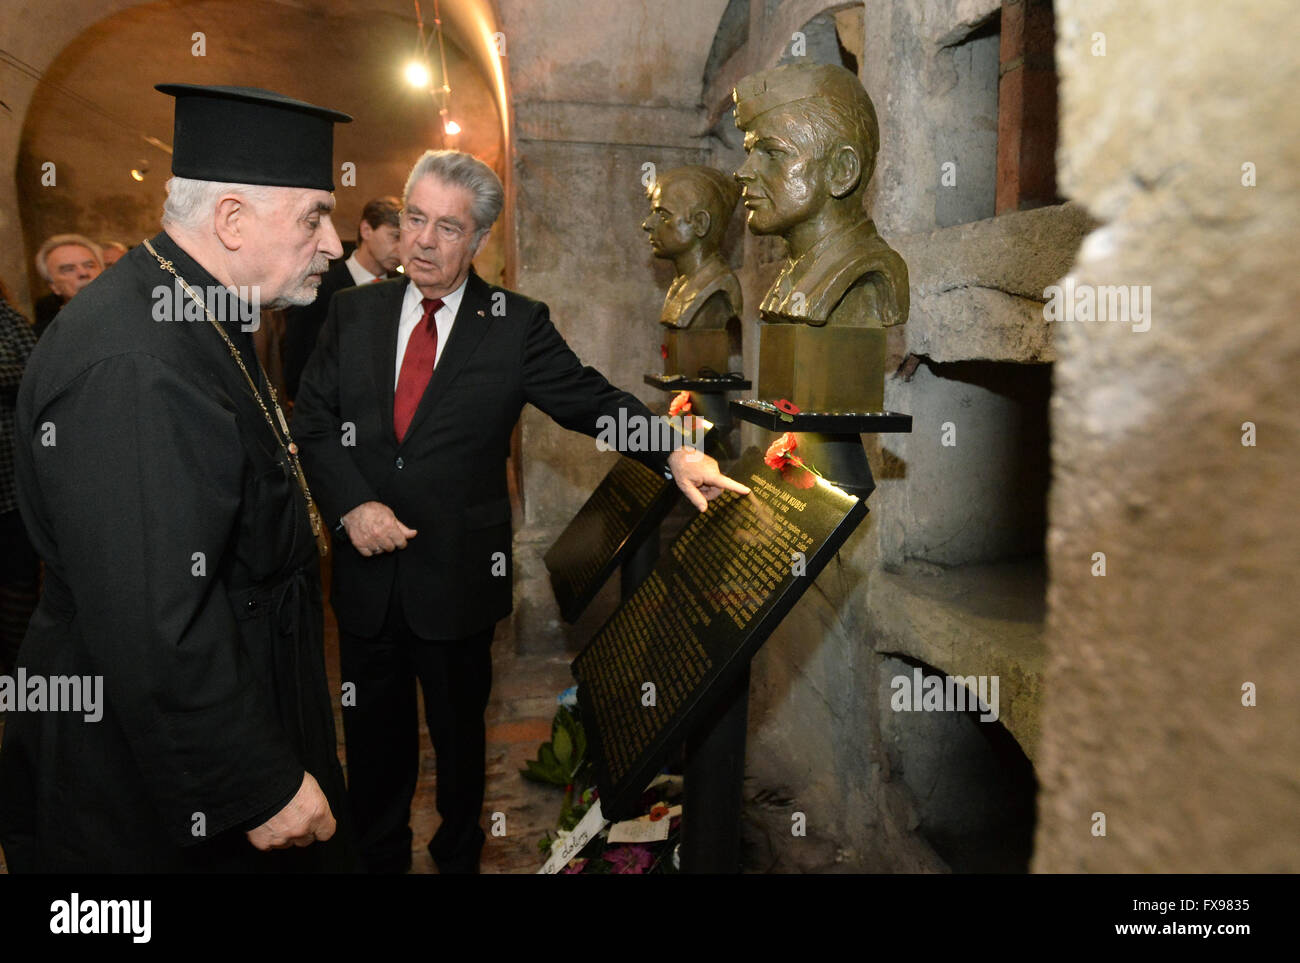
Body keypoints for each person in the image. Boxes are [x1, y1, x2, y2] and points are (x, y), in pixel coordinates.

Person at [293, 149, 749, 874]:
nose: (423, 241)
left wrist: (672, 452)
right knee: (373, 753)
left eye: (448, 227)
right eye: (414, 219)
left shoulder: (512, 323)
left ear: (478, 242)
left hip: (457, 579)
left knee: (460, 750)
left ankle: (459, 858)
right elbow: (313, 421)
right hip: (365, 576)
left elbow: (590, 400)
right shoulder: (353, 313)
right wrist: (351, 506)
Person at [0, 83, 358, 872]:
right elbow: (153, 617)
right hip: (141, 778)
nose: (332, 243)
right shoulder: (133, 362)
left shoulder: (197, 310)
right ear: (231, 220)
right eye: (313, 217)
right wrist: (254, 781)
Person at [733, 62, 908, 327]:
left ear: (841, 170)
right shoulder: (794, 275)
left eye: (771, 153)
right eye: (749, 154)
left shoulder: (863, 272)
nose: (743, 172)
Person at [282, 196, 402, 401]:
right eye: (395, 237)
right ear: (366, 230)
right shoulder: (318, 288)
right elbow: (297, 367)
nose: (401, 249)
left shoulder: (406, 289)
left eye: (406, 240)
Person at [0, 287, 38, 677]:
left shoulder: (6, 318)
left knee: (18, 580)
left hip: (9, 484)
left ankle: (23, 676)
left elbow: (32, 367)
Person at [32, 234, 103, 336]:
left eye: (89, 266)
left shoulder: (131, 315)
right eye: (69, 269)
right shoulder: (45, 338)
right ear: (54, 286)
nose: (83, 273)